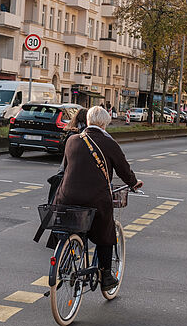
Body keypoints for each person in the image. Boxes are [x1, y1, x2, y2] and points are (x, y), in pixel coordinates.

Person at [53, 106, 142, 291]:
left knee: (72, 225)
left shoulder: (72, 140)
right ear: (104, 123)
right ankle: (106, 275)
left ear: (87, 121)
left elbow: (68, 168)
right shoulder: (109, 143)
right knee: (106, 234)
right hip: (94, 199)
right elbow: (123, 169)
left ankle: (65, 257)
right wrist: (133, 183)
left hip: (66, 197)